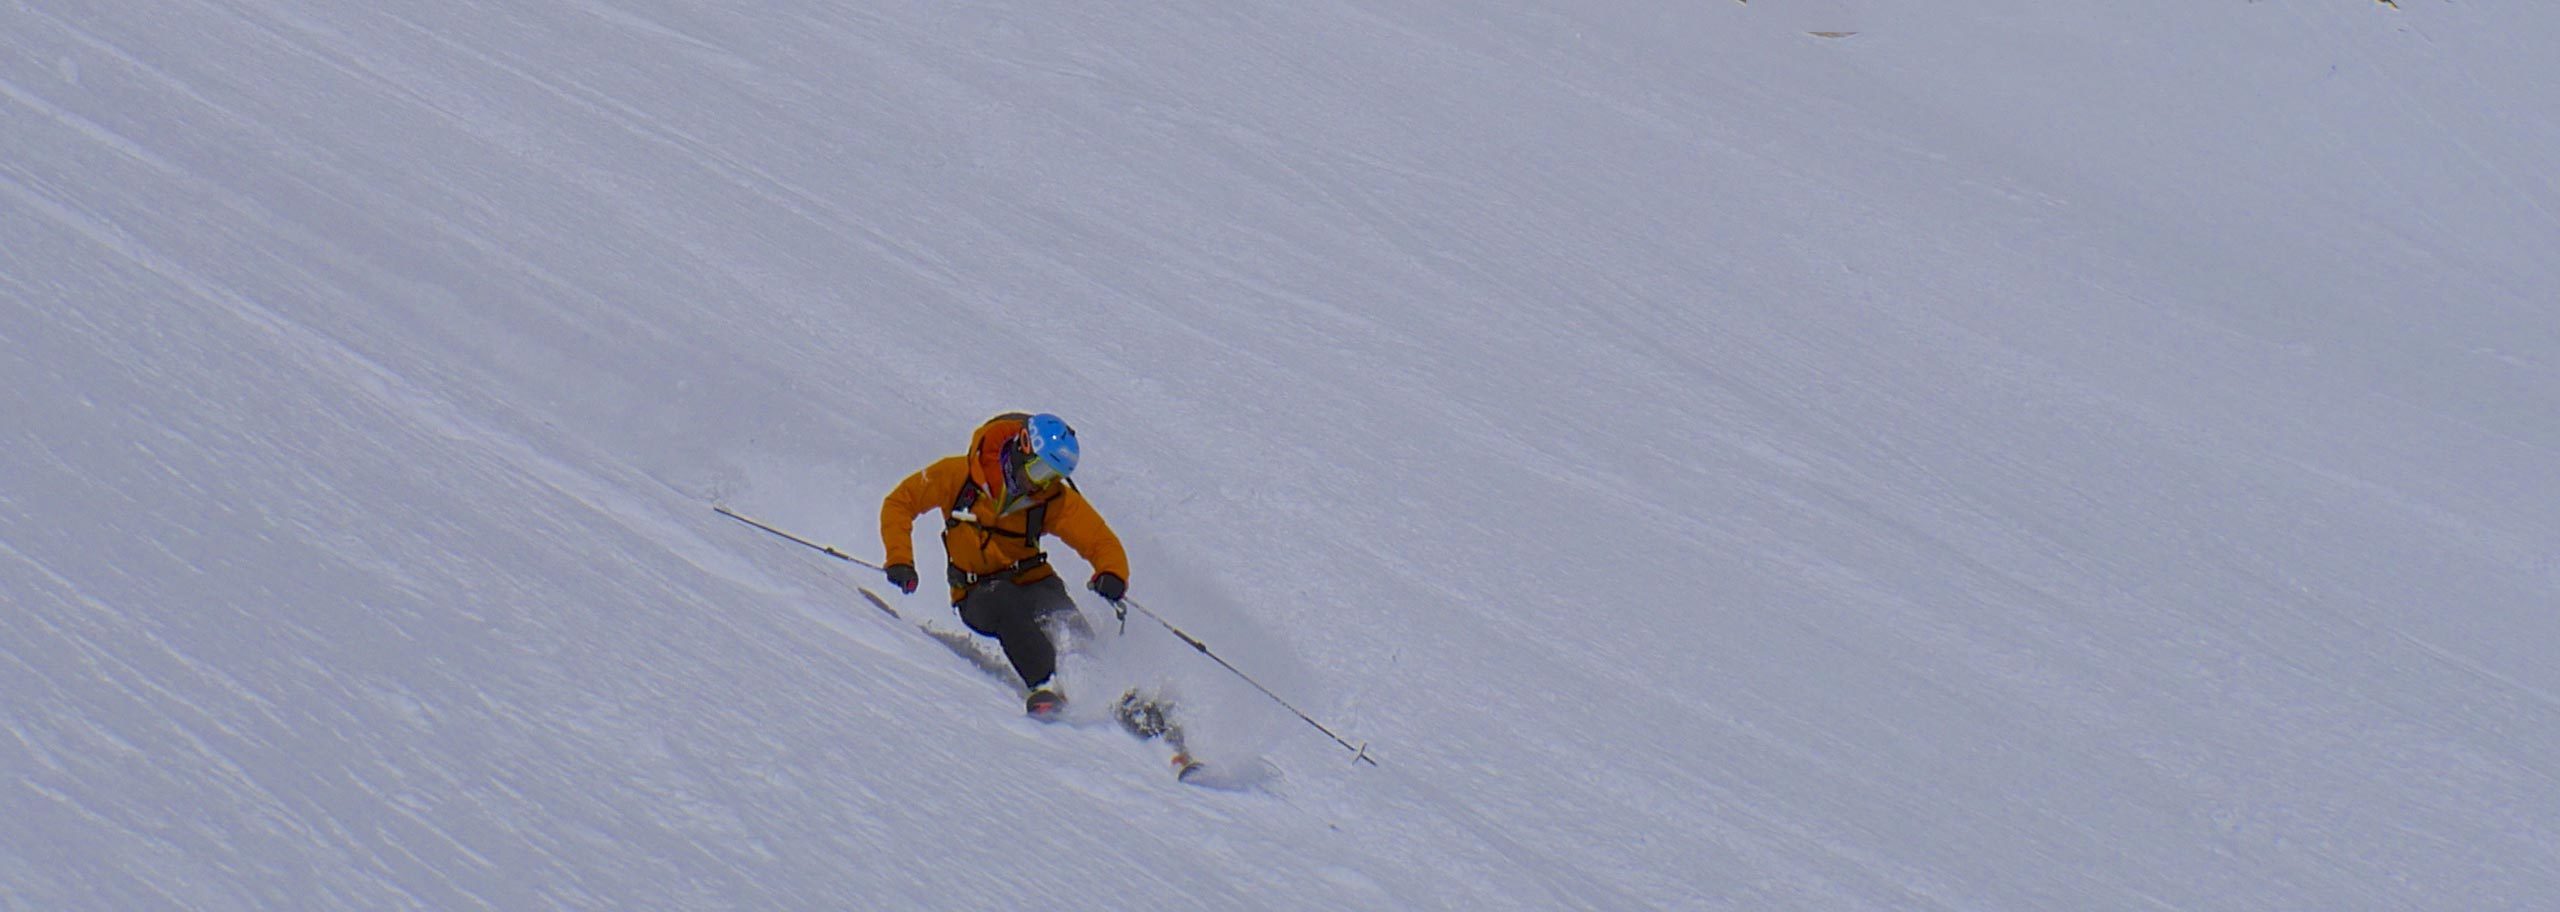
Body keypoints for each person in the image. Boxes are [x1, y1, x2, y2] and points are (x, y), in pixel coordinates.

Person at [879, 412, 1130, 717]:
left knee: (1065, 622)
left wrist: (1112, 572)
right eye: (1040, 471)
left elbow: (1098, 538)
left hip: (1034, 580)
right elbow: (900, 503)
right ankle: (1045, 682)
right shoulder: (959, 476)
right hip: (976, 592)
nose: (1042, 484)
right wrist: (900, 559)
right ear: (1022, 447)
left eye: (1052, 477)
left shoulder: (1050, 497)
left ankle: (1118, 695)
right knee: (1005, 603)